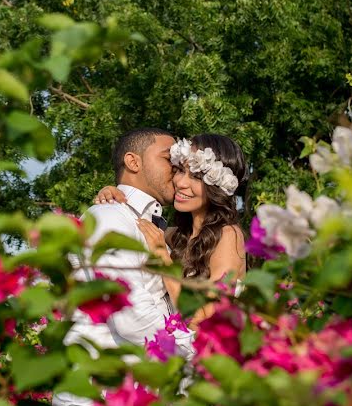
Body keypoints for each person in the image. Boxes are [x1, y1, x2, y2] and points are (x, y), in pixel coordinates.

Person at [52, 127, 193, 406]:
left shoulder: (153, 226)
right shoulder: (108, 216)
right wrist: (195, 350)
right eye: (169, 158)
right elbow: (131, 316)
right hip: (97, 399)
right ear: (133, 162)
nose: (177, 170)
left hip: (134, 399)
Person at [94, 134, 247, 328]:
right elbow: (137, 222)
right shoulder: (177, 235)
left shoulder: (228, 235)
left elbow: (204, 317)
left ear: (217, 185)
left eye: (197, 176)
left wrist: (162, 259)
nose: (181, 182)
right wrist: (113, 194)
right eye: (180, 170)